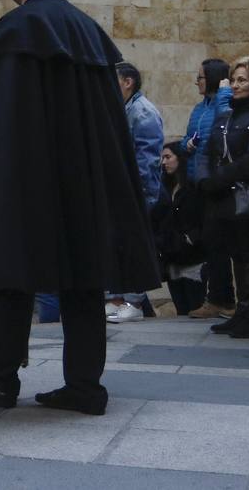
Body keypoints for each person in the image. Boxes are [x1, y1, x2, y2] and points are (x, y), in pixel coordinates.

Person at [0, 0, 160, 416]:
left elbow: (1, 122)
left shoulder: (18, 28)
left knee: (13, 271)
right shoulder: (87, 30)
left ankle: (1, 376)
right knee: (85, 276)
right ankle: (84, 385)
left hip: (27, 180)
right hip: (85, 183)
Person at [203, 59, 249, 339]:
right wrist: (205, 179)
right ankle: (242, 311)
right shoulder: (225, 116)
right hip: (222, 197)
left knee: (248, 256)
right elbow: (208, 151)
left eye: (243, 80)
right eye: (235, 80)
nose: (237, 85)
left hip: (245, 195)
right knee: (234, 256)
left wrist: (219, 178)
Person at [106, 62, 164, 324]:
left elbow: (147, 157)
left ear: (127, 82)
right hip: (121, 190)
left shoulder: (142, 112)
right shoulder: (123, 109)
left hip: (137, 191)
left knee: (133, 244)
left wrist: (138, 191)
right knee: (118, 243)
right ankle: (116, 297)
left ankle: (134, 299)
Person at [180, 59, 233, 318]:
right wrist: (186, 145)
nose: (197, 81)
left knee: (219, 242)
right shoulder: (200, 109)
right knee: (209, 243)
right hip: (196, 180)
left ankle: (224, 298)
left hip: (215, 181)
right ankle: (215, 296)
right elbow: (186, 138)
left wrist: (225, 93)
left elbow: (224, 126)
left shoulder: (224, 102)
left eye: (200, 77)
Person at [152, 143, 206, 315]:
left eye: (168, 157)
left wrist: (192, 237)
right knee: (181, 307)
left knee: (195, 304)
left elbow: (202, 216)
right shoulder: (164, 188)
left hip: (193, 256)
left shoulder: (193, 186)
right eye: (162, 158)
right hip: (172, 255)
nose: (163, 162)